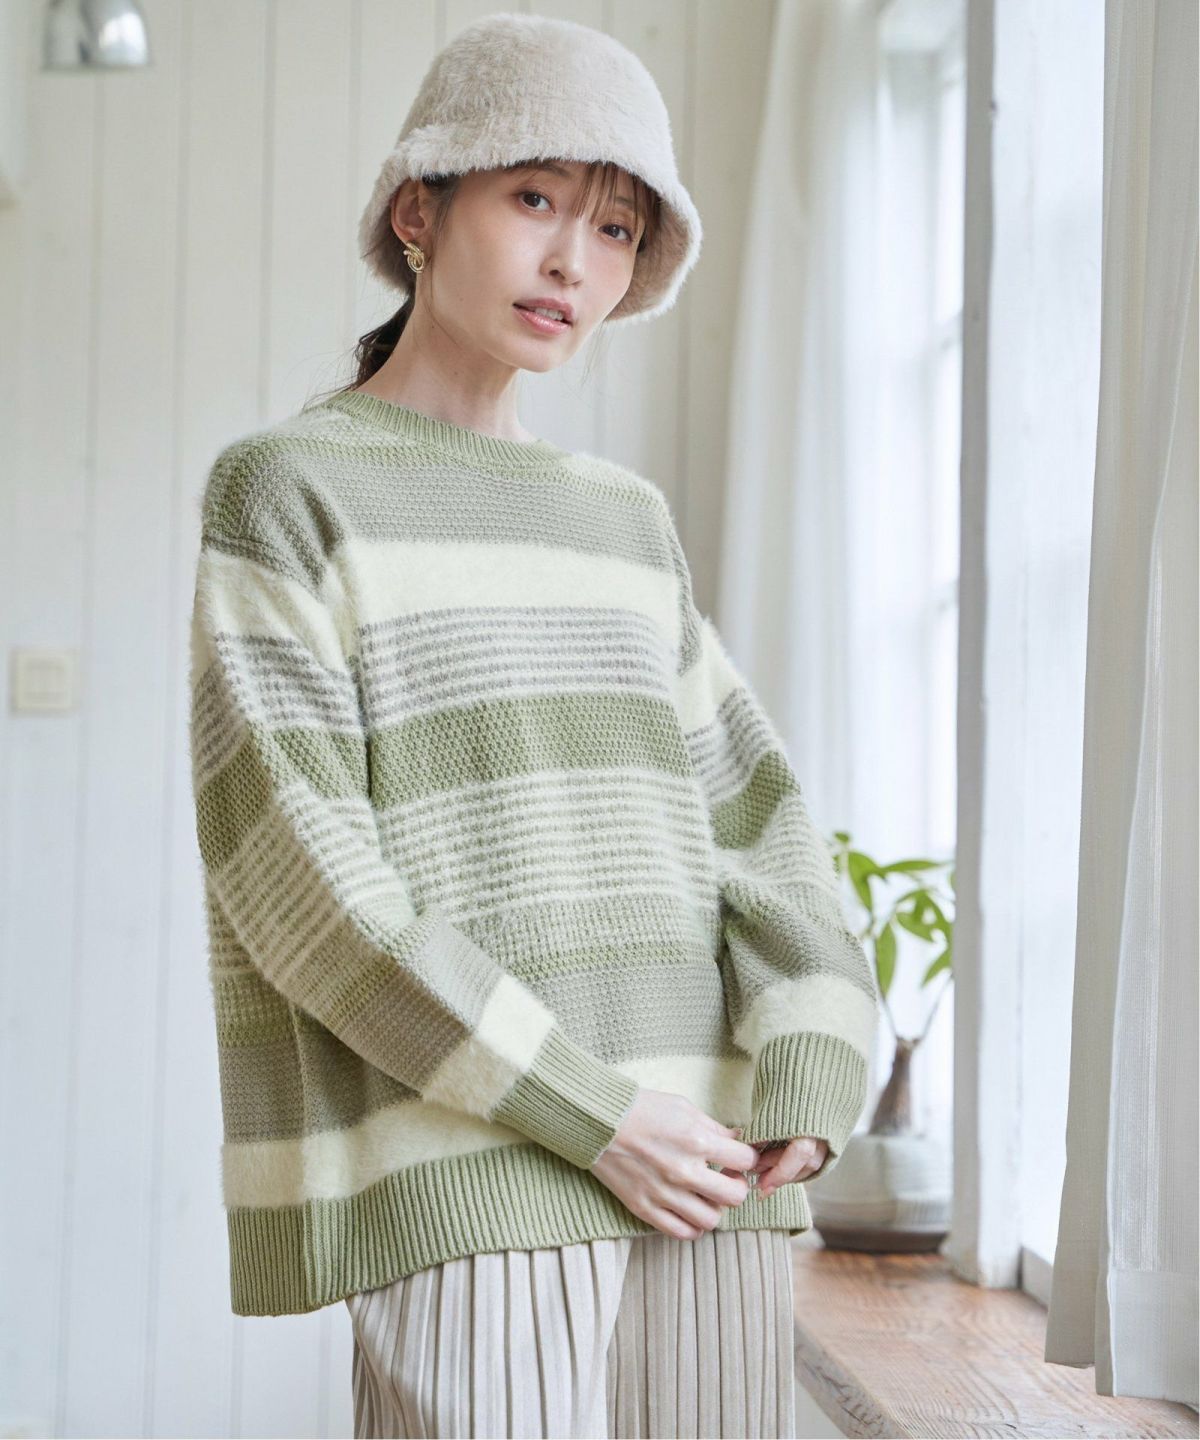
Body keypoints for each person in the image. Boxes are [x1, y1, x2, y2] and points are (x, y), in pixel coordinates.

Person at [187, 11, 880, 1439]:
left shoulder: (623, 522)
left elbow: (759, 822)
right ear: (418, 210)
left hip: (714, 1172)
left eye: (617, 228)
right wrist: (592, 1113)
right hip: (478, 1166)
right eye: (535, 199)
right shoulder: (289, 491)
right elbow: (300, 878)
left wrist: (809, 1073)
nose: (575, 260)